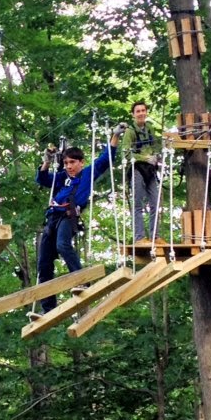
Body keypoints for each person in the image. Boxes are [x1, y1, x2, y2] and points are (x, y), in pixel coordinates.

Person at [35, 127, 122, 311]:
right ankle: (47, 308)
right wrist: (46, 162)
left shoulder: (88, 174)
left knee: (62, 245)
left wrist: (115, 135)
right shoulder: (61, 177)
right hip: (52, 218)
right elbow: (43, 179)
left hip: (68, 216)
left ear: (81, 162)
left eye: (72, 162)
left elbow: (105, 159)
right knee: (44, 263)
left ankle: (82, 279)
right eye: (66, 163)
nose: (68, 166)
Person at [121, 100, 162, 242]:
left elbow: (155, 145)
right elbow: (126, 153)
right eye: (138, 111)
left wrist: (156, 156)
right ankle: (139, 237)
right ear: (133, 114)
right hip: (137, 168)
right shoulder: (130, 132)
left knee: (155, 202)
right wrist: (145, 158)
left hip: (150, 169)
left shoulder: (150, 129)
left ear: (146, 112)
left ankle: (155, 236)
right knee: (138, 203)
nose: (141, 114)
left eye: (143, 110)